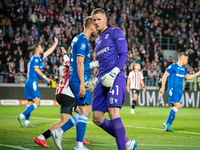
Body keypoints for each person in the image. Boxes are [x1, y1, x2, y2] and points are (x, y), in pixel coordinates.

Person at [85, 8, 137, 150]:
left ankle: (123, 147)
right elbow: (102, 65)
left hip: (116, 77)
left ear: (105, 20)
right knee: (96, 117)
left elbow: (124, 55)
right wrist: (96, 79)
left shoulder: (115, 32)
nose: (96, 22)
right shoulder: (97, 40)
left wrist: (114, 73)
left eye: (98, 19)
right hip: (102, 79)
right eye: (94, 20)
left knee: (113, 113)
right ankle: (126, 141)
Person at [51, 16, 97, 150]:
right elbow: (79, 62)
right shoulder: (83, 40)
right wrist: (82, 83)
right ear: (91, 27)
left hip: (77, 78)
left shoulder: (76, 38)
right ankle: (77, 145)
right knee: (84, 111)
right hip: (78, 79)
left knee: (86, 111)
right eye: (95, 26)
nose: (96, 29)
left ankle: (60, 134)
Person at [34, 47, 89, 147]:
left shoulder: (69, 60)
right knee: (64, 121)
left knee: (83, 112)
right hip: (68, 94)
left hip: (61, 91)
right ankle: (41, 137)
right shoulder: (77, 63)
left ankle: (79, 139)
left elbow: (65, 58)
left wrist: (64, 53)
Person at [16, 37, 58, 127]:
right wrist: (45, 77)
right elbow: (36, 69)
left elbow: (48, 52)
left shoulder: (38, 57)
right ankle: (21, 115)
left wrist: (55, 44)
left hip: (28, 81)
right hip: (32, 82)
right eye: (41, 47)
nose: (43, 49)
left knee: (30, 102)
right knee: (37, 103)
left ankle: (27, 122)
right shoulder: (35, 58)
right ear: (37, 50)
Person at [160, 52, 200, 132]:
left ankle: (167, 126)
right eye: (186, 59)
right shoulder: (173, 66)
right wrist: (162, 87)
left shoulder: (183, 69)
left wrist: (198, 73)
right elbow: (165, 75)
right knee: (178, 105)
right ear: (182, 59)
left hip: (179, 91)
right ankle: (167, 123)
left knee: (174, 108)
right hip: (172, 89)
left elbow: (188, 77)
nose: (187, 61)